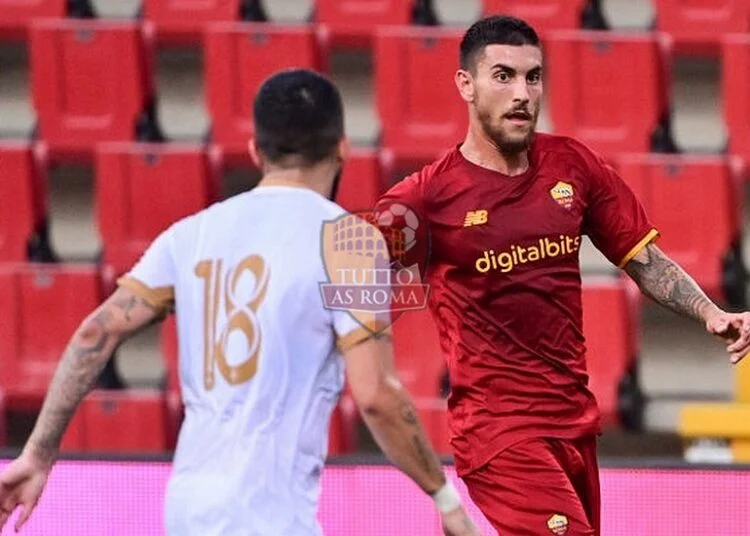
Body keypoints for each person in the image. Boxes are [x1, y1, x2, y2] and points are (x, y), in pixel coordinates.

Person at [0, 69, 479, 536]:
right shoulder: (351, 242)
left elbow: (94, 333)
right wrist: (444, 498)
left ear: (255, 151)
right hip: (270, 513)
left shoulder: (191, 234)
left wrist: (38, 453)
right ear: (343, 149)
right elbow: (376, 395)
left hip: (187, 508)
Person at [375, 15, 750, 536]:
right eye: (503, 76)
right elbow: (349, 277)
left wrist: (710, 311)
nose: (522, 92)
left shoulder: (572, 164)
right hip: (499, 433)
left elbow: (641, 259)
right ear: (466, 84)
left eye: (533, 77)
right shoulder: (426, 197)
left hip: (574, 423)